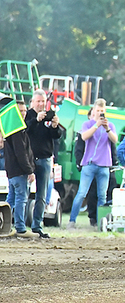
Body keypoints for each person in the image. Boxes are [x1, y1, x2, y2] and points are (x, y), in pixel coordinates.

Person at [67, 99, 117, 229]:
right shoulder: (87, 124)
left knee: (102, 196)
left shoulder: (110, 125)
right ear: (93, 111)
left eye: (102, 111)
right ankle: (72, 221)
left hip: (104, 165)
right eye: (98, 111)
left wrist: (106, 129)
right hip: (89, 164)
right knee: (82, 193)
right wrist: (96, 125)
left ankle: (102, 223)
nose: (100, 113)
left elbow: (114, 140)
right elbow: (84, 137)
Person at [25, 89, 61, 238]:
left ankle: (37, 226)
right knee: (23, 192)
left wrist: (54, 126)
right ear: (32, 102)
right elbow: (26, 130)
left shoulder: (49, 116)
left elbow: (56, 137)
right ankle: (20, 224)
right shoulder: (28, 115)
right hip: (30, 159)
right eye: (38, 101)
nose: (40, 104)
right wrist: (37, 120)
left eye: (42, 101)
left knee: (42, 194)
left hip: (45, 159)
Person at [2, 98, 35, 236]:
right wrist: (29, 171)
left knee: (10, 199)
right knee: (21, 198)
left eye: (24, 111)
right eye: (20, 111)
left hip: (11, 171)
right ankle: (20, 228)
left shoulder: (10, 130)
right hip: (19, 171)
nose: (23, 114)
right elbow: (21, 153)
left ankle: (5, 226)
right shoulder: (18, 131)